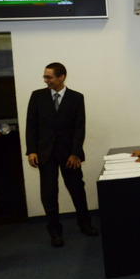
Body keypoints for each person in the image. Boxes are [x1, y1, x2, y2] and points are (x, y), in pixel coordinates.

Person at [25, 62, 96, 247]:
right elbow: (31, 126)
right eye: (45, 77)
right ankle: (55, 231)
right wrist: (31, 151)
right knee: (49, 194)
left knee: (77, 189)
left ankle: (85, 223)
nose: (45, 80)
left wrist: (76, 153)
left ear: (61, 77)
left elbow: (79, 127)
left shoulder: (76, 98)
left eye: (49, 77)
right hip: (45, 153)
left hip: (69, 154)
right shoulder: (37, 96)